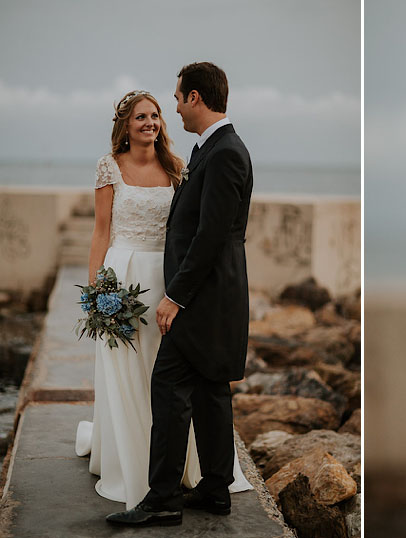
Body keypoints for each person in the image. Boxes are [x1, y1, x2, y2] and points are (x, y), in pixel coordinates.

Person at [77, 89, 252, 514]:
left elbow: (199, 226)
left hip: (168, 280)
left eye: (156, 115)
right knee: (129, 371)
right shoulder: (109, 167)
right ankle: (131, 461)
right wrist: (96, 288)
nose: (151, 122)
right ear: (125, 125)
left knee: (168, 377)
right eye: (141, 117)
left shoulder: (178, 166)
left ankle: (175, 474)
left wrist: (180, 290)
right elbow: (101, 231)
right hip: (123, 272)